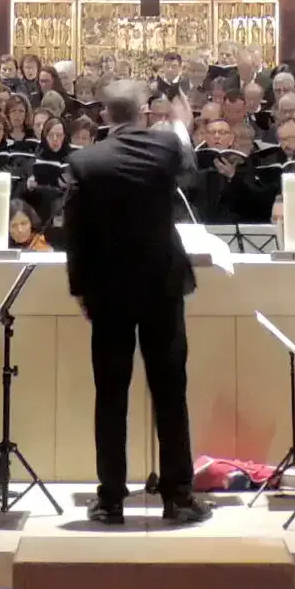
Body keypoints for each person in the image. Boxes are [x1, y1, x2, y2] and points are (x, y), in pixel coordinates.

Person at [62, 81, 210, 526]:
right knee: (170, 393)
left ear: (105, 115)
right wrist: (179, 122)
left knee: (110, 395)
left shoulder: (86, 161)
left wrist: (80, 290)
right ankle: (178, 498)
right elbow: (190, 173)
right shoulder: (165, 148)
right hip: (161, 290)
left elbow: (76, 236)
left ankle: (110, 499)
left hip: (108, 293)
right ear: (144, 112)